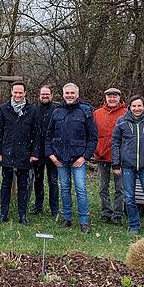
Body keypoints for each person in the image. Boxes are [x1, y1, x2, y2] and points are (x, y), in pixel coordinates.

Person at [46, 83, 98, 232]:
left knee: (81, 189)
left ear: (77, 94)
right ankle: (67, 218)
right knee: (65, 189)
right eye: (66, 93)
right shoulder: (57, 112)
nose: (69, 95)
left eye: (72, 93)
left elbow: (93, 137)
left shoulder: (85, 111)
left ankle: (84, 221)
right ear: (63, 95)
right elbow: (49, 135)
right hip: (60, 159)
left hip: (78, 160)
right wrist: (52, 155)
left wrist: (85, 157)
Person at [112, 96, 144, 236]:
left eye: (139, 106)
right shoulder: (121, 121)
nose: (137, 109)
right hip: (128, 165)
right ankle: (134, 225)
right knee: (129, 197)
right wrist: (116, 163)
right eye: (134, 106)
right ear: (129, 107)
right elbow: (115, 143)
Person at [0, 82, 40, 224]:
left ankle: (22, 215)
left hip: (24, 153)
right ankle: (3, 213)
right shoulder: (4, 109)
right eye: (15, 92)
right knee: (6, 185)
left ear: (25, 93)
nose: (18, 95)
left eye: (20, 93)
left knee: (23, 186)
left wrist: (34, 153)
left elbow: (36, 133)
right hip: (7, 151)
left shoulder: (32, 110)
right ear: (11, 92)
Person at [93, 88, 127, 225]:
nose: (112, 99)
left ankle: (118, 213)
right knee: (103, 187)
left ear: (119, 98)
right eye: (109, 97)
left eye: (115, 97)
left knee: (120, 188)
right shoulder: (97, 113)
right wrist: (96, 149)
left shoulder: (126, 113)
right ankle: (106, 212)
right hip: (102, 156)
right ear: (105, 98)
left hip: (119, 157)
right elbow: (93, 133)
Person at [32, 86, 59, 216]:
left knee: (53, 181)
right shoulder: (33, 110)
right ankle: (38, 205)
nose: (45, 96)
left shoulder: (57, 110)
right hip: (37, 151)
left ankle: (54, 208)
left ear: (52, 95)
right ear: (39, 95)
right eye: (43, 94)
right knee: (38, 180)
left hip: (53, 153)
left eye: (47, 94)